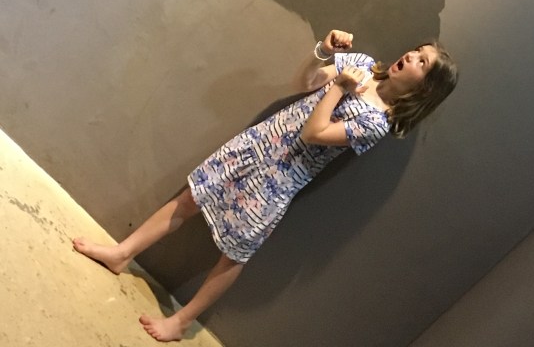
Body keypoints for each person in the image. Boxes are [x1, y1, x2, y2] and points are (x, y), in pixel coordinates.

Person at [72, 30, 458, 342]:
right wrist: (323, 52)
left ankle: (182, 321)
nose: (411, 55)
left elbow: (314, 133)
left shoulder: (376, 122)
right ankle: (122, 253)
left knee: (235, 253)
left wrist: (340, 87)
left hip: (280, 178)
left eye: (422, 62)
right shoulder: (362, 66)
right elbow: (305, 82)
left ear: (425, 89)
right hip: (257, 143)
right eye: (417, 50)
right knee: (192, 196)